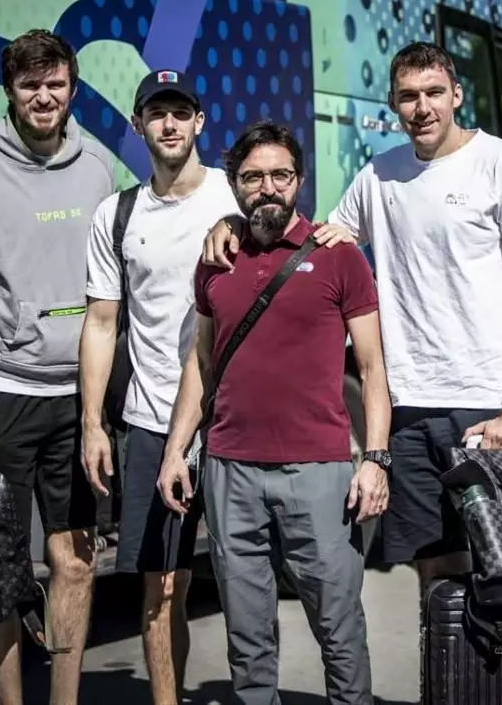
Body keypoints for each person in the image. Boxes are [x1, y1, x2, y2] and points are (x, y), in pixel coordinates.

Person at [200, 43, 502, 611]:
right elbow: (306, 237)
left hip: (487, 405)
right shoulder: (379, 174)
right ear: (393, 104)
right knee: (435, 578)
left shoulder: (501, 164)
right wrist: (229, 221)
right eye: (409, 97)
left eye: (434, 93)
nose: (423, 107)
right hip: (410, 406)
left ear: (457, 95)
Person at [157, 121, 390, 705]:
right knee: (247, 635)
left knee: (338, 626)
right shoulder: (216, 261)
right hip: (230, 471)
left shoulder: (340, 260)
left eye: (280, 175)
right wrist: (175, 451)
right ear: (235, 185)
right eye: (253, 177)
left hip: (320, 471)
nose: (268, 187)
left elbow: (373, 368)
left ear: (299, 181)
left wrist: (376, 458)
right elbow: (201, 362)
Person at [0, 29, 114, 705]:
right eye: (30, 85)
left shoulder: (98, 166)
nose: (44, 96)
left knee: (75, 560)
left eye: (56, 84)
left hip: (76, 400)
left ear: (72, 87)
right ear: (10, 90)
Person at [78, 69, 240, 704]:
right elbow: (99, 322)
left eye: (181, 112)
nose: (169, 124)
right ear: (139, 124)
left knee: (249, 582)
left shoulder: (239, 197)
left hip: (231, 420)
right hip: (150, 422)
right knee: (161, 588)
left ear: (200, 121)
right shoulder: (117, 215)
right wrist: (94, 422)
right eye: (157, 113)